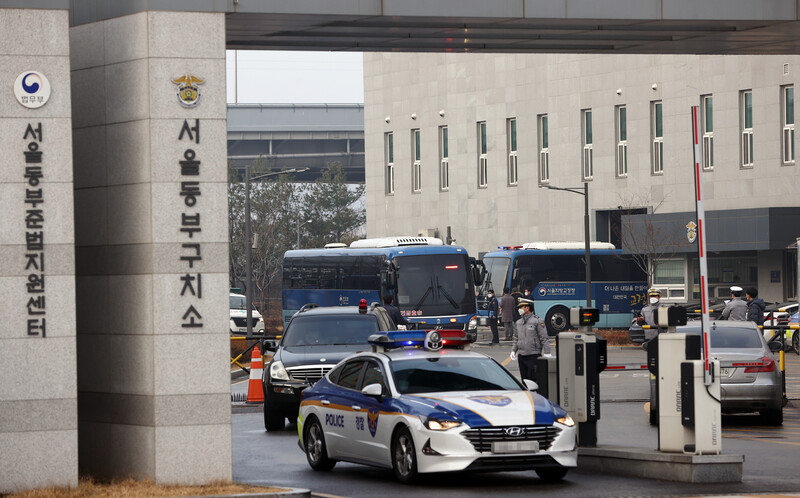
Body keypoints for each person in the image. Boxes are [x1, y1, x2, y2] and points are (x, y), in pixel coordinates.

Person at [509, 298, 551, 383]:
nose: (519, 310)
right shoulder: (518, 322)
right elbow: (516, 338)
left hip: (533, 355)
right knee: (525, 381)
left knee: (534, 380)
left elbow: (544, 337)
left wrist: (547, 352)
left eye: (521, 307)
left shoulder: (537, 321)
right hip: (521, 355)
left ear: (527, 308)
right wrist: (513, 350)